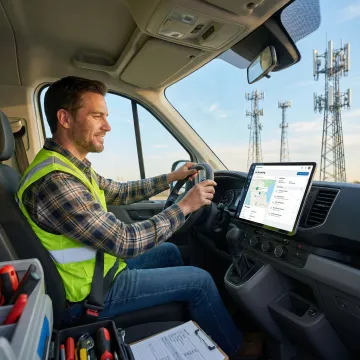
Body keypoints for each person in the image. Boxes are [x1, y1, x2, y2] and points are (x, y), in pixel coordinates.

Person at [16, 76, 261, 359]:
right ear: (65, 118)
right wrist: (184, 206)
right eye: (97, 116)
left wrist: (172, 177)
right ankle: (239, 349)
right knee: (200, 281)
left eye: (105, 117)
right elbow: (124, 241)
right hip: (87, 297)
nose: (107, 126)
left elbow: (118, 191)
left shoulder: (69, 166)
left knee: (168, 251)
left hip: (99, 271)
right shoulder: (57, 180)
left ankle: (197, 327)